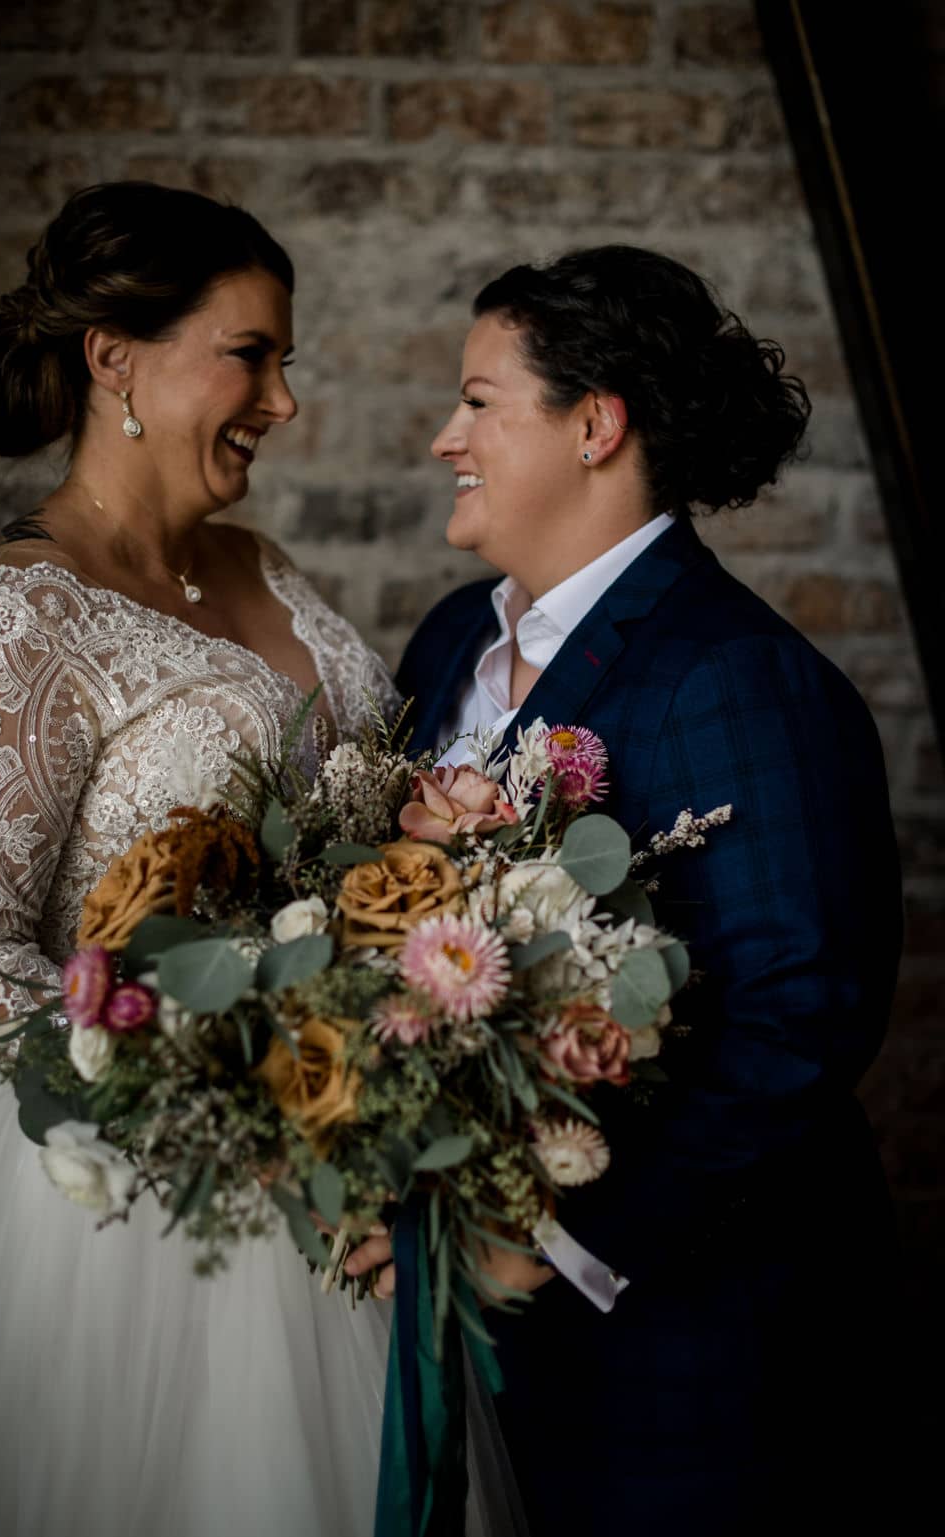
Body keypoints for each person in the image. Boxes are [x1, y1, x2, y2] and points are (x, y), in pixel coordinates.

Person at [0, 182, 510, 1537]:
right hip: (130, 1204)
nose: (284, 402)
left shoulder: (263, 561)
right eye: (251, 355)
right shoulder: (10, 617)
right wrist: (213, 1117)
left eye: (283, 362)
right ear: (112, 357)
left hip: (344, 1150)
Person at [351, 245, 904, 1534]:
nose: (446, 437)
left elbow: (798, 1016)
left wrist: (545, 1242)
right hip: (463, 1344)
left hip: (687, 1364)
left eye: (480, 402)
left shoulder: (741, 679)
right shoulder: (448, 643)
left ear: (595, 426)